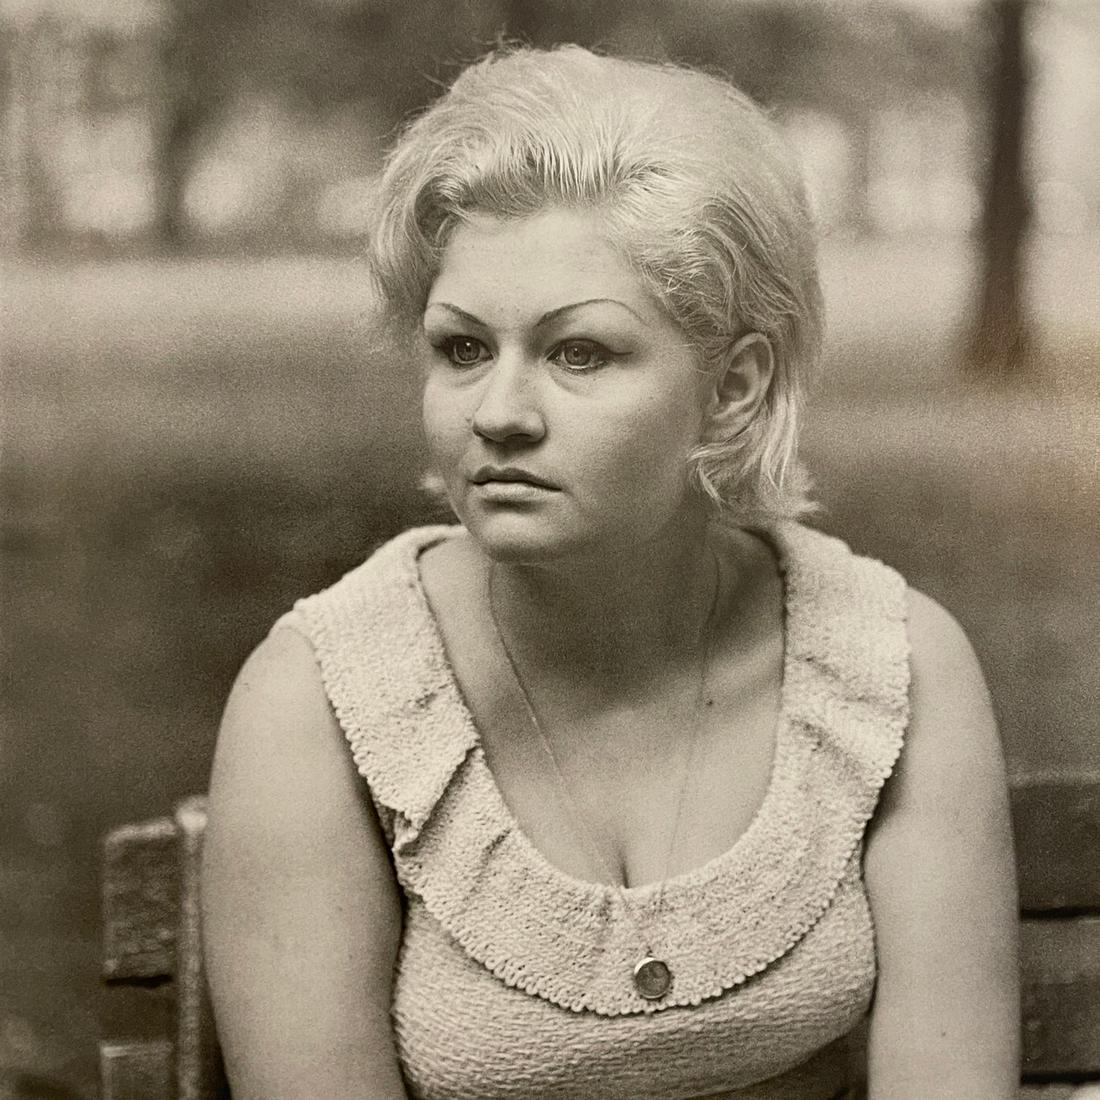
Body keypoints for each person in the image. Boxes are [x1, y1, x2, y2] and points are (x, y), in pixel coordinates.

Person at [201, 45, 1019, 1100]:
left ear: (732, 388)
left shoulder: (891, 669)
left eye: (578, 353)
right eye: (461, 349)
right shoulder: (322, 702)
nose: (499, 413)